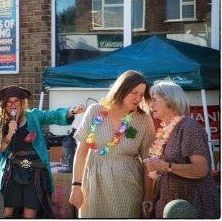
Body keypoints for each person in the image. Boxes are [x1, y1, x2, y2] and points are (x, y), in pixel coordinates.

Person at [69, 70, 155, 218]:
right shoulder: (95, 111)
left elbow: (149, 164)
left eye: (141, 95)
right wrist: (76, 186)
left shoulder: (144, 120)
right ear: (121, 89)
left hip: (128, 189)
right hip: (94, 187)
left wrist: (147, 198)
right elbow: (81, 152)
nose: (138, 98)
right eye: (134, 92)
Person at [0, 85, 85, 218]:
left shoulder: (33, 116)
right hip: (12, 172)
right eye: (9, 102)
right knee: (6, 211)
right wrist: (9, 134)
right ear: (4, 106)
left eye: (16, 101)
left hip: (34, 172)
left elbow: (52, 115)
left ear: (22, 103)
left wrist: (73, 111)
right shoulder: (1, 123)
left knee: (30, 212)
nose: (13, 105)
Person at [143, 80, 220, 218]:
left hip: (193, 204)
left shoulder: (189, 127)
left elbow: (201, 169)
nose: (151, 104)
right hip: (170, 203)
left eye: (155, 100)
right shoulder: (167, 129)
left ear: (170, 100)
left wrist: (166, 166)